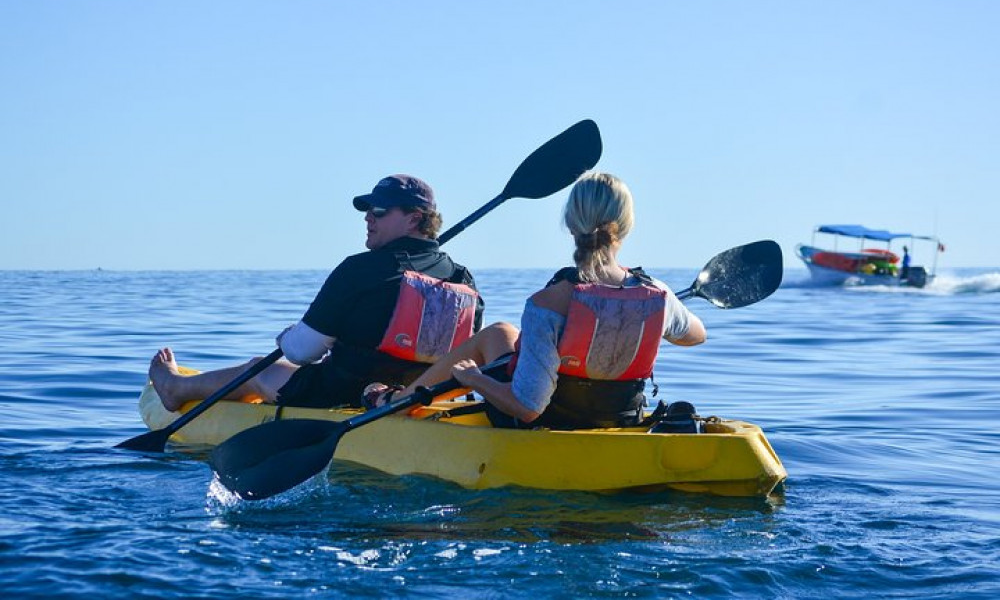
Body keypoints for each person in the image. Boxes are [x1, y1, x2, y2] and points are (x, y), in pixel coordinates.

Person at [380, 172, 706, 430]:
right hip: (620, 418)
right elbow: (695, 335)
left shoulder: (550, 303)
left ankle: (399, 402)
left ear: (570, 223)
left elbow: (527, 408)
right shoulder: (660, 296)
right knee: (499, 334)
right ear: (627, 224)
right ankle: (404, 399)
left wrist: (473, 379)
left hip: (554, 422)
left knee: (493, 336)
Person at [148, 175, 484, 411]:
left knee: (261, 369)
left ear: (414, 219)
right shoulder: (462, 277)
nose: (368, 217)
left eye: (380, 210)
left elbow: (300, 351)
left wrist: (286, 338)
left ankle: (174, 389)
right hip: (421, 398)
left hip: (340, 395)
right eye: (368, 209)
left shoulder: (361, 269)